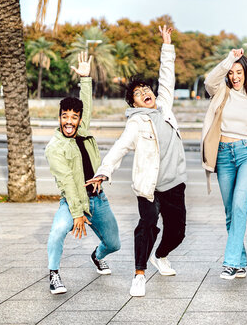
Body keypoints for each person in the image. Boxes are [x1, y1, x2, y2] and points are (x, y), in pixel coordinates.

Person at [86, 25, 187, 297]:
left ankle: (161, 255)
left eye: (146, 88)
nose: (146, 91)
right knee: (148, 226)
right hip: (149, 186)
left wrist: (167, 47)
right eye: (138, 92)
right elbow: (118, 149)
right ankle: (139, 274)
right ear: (134, 102)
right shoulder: (136, 122)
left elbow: (167, 79)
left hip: (175, 183)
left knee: (178, 232)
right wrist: (103, 172)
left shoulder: (165, 107)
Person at [45, 51, 121, 294]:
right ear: (59, 118)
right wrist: (77, 213)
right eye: (65, 117)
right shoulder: (54, 147)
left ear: (78, 120)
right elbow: (67, 182)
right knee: (58, 231)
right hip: (72, 201)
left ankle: (97, 256)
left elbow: (86, 106)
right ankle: (54, 274)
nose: (69, 121)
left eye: (74, 117)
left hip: (98, 200)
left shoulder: (83, 130)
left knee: (114, 243)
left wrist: (86, 79)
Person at [201, 49, 247, 280]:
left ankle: (230, 263)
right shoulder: (221, 92)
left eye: (239, 72)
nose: (234, 77)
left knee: (240, 203)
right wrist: (229, 59)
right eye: (231, 73)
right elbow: (209, 80)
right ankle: (240, 261)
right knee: (231, 211)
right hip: (223, 154)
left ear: (246, 73)